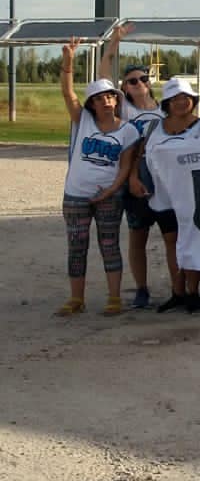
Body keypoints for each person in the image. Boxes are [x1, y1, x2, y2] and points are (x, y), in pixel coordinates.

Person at [56, 42, 139, 317]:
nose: (105, 101)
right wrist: (69, 61)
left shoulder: (128, 131)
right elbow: (67, 93)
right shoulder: (83, 121)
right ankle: (76, 299)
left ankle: (114, 298)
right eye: (99, 98)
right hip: (76, 194)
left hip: (109, 197)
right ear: (91, 104)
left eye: (109, 97)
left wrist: (111, 190)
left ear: (116, 100)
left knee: (109, 245)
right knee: (76, 247)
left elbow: (125, 166)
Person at [98, 23, 162, 309]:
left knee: (173, 236)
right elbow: (103, 74)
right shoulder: (124, 108)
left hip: (162, 178)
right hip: (134, 178)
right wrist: (114, 42)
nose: (139, 84)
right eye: (132, 81)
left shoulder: (164, 109)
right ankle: (141, 288)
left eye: (143, 79)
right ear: (124, 87)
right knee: (138, 236)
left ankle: (182, 288)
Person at [139, 78, 200, 314]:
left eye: (186, 98)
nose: (181, 102)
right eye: (175, 98)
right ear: (167, 103)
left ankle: (193, 291)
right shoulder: (153, 128)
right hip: (163, 197)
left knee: (191, 242)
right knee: (172, 243)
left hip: (194, 197)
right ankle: (177, 291)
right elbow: (141, 155)